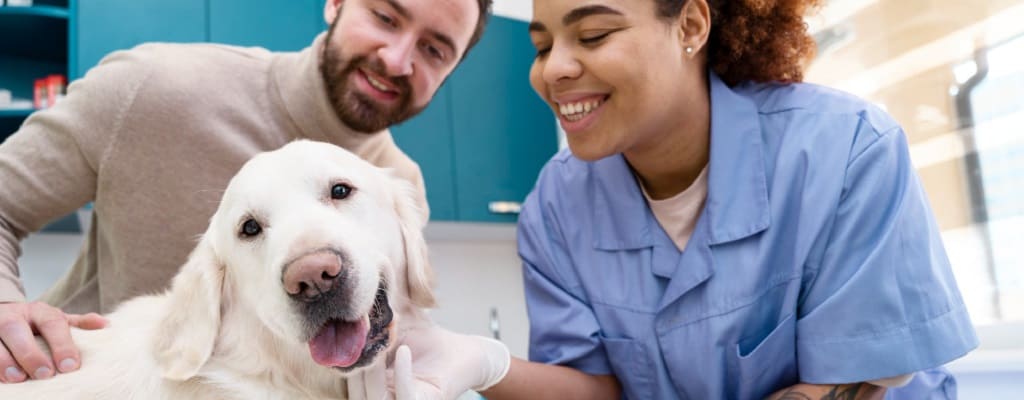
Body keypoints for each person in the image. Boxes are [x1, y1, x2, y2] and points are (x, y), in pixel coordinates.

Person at [383, 0, 980, 399]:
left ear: (691, 27)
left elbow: (857, 380)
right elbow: (596, 386)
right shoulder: (557, 207)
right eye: (542, 47)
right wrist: (483, 362)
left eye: (594, 34)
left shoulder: (844, 149)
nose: (554, 70)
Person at [0, 0, 492, 384]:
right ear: (337, 3)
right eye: (385, 16)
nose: (397, 58)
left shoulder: (401, 187)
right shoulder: (149, 88)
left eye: (434, 50)